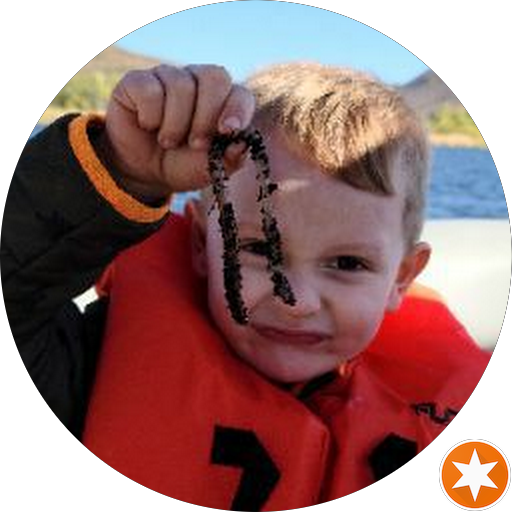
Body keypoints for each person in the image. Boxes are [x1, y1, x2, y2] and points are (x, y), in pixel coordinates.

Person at [4, 63, 489, 509]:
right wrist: (121, 168)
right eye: (258, 249)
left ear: (401, 277)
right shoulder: (92, 366)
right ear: (201, 243)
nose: (296, 301)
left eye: (347, 263)